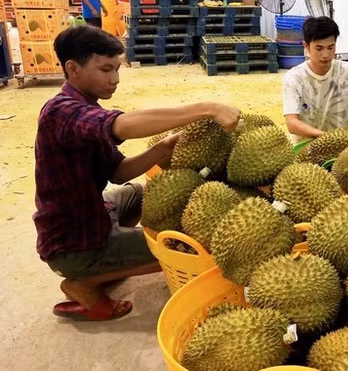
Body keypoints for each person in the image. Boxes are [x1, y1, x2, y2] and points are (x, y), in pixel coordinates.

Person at [34, 26, 240, 321]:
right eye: (105, 69)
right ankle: (84, 281)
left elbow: (119, 172)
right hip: (73, 242)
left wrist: (164, 148)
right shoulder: (61, 111)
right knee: (187, 250)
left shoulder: (86, 109)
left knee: (142, 194)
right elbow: (124, 125)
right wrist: (207, 108)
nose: (114, 79)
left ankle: (114, 257)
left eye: (117, 69)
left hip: (93, 214)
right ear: (72, 68)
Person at [282, 16, 348, 144]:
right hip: (306, 149)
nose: (325, 54)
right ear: (306, 46)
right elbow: (292, 123)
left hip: (343, 147)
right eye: (319, 48)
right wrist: (327, 137)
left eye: (330, 47)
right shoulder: (293, 78)